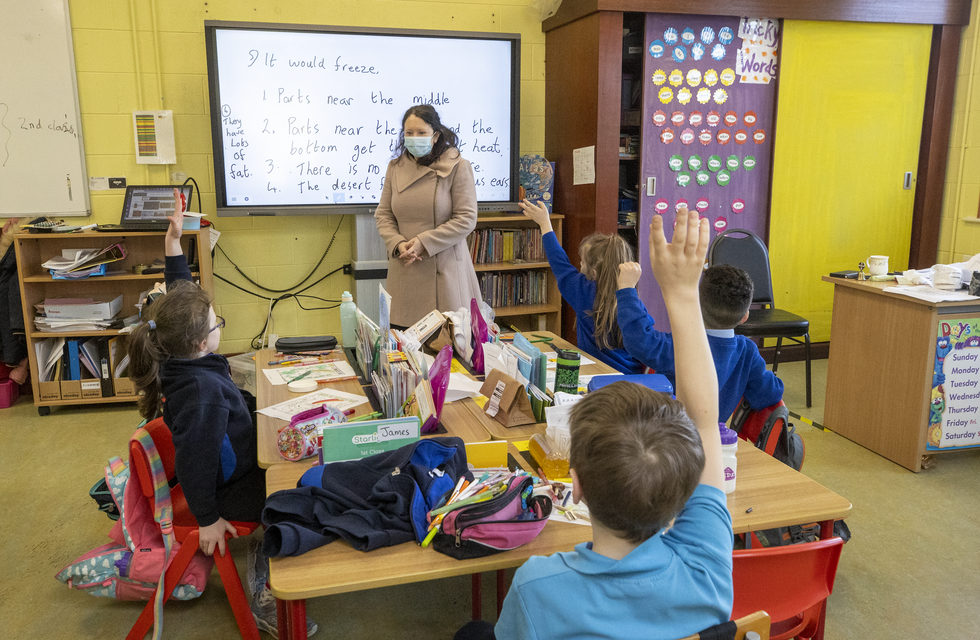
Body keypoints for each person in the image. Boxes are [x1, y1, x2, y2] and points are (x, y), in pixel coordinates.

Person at [460, 208, 731, 640]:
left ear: (576, 487)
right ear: (681, 494)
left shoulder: (537, 587)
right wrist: (682, 293)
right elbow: (704, 423)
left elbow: (702, 426)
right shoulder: (708, 569)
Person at [126, 189, 316, 638]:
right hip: (228, 490)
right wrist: (208, 519)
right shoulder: (203, 393)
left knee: (294, 438)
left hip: (230, 460)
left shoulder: (175, 350)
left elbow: (178, 302)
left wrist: (174, 246)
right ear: (200, 342)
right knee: (296, 489)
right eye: (217, 324)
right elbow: (194, 461)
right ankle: (265, 585)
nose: (218, 325)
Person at [616, 260, 784, 421]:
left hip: (668, 438)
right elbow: (767, 394)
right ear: (744, 317)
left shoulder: (684, 345)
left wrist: (627, 289)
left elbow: (638, 338)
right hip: (708, 441)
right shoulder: (747, 352)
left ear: (696, 306)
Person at [374, 105, 483, 328]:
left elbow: (466, 219)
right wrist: (398, 244)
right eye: (409, 133)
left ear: (435, 136)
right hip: (405, 268)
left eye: (421, 133)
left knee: (448, 352)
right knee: (404, 352)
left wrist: (424, 242)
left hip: (445, 272)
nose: (414, 138)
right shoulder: (395, 168)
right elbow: (384, 214)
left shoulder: (458, 166)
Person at [518, 199, 645, 374]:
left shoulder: (583, 291)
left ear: (593, 271)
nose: (579, 264)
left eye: (582, 262)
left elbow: (559, 262)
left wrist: (545, 223)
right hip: (633, 379)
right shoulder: (633, 301)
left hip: (595, 376)